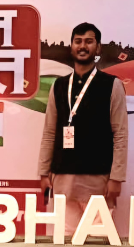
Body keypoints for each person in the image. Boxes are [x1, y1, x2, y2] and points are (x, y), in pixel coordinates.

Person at [37, 23, 128, 235]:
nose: (83, 46)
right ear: (71, 47)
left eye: (89, 41)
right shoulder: (59, 86)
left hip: (98, 180)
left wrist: (116, 177)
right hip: (63, 179)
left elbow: (120, 135)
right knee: (65, 243)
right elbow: (49, 133)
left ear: (98, 48)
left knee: (98, 244)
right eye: (78, 41)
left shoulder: (112, 85)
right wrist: (43, 172)